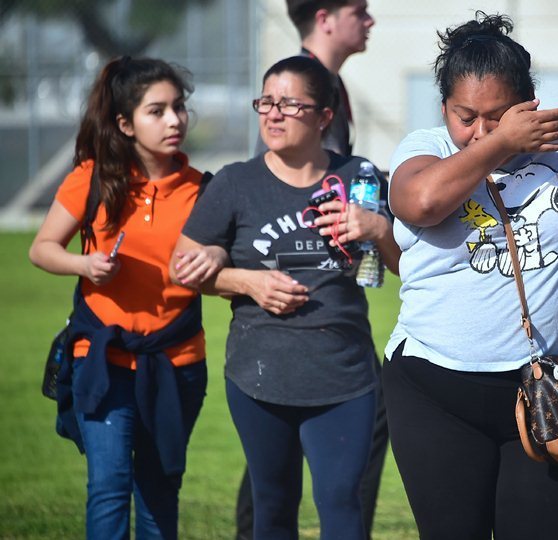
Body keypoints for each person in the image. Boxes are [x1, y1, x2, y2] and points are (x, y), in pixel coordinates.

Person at [382, 13, 558, 539]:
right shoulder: (425, 148)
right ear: (444, 110)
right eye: (466, 117)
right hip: (435, 388)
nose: (479, 130)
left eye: (498, 117)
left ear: (528, 104)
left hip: (548, 391)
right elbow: (421, 202)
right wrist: (502, 142)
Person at [172, 55, 399, 540]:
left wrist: (379, 229)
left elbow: (404, 267)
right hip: (259, 376)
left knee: (342, 503)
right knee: (273, 505)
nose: (273, 114)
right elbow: (183, 268)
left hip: (344, 377)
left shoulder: (358, 176)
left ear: (324, 117)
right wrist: (247, 282)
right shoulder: (234, 182)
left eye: (290, 104)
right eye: (266, 102)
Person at [29, 56, 223, 539]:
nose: (174, 120)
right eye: (157, 111)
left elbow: (227, 264)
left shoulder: (205, 189)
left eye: (179, 107)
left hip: (178, 363)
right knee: (109, 486)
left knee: (159, 491)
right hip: (102, 359)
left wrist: (216, 255)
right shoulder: (92, 178)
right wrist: (84, 265)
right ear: (125, 124)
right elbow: (42, 248)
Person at [237, 2, 385, 538]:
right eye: (359, 11)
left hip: (333, 299)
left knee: (285, 465)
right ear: (324, 17)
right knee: (275, 468)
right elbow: (284, 188)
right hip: (301, 303)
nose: (370, 21)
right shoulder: (299, 91)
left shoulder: (330, 87)